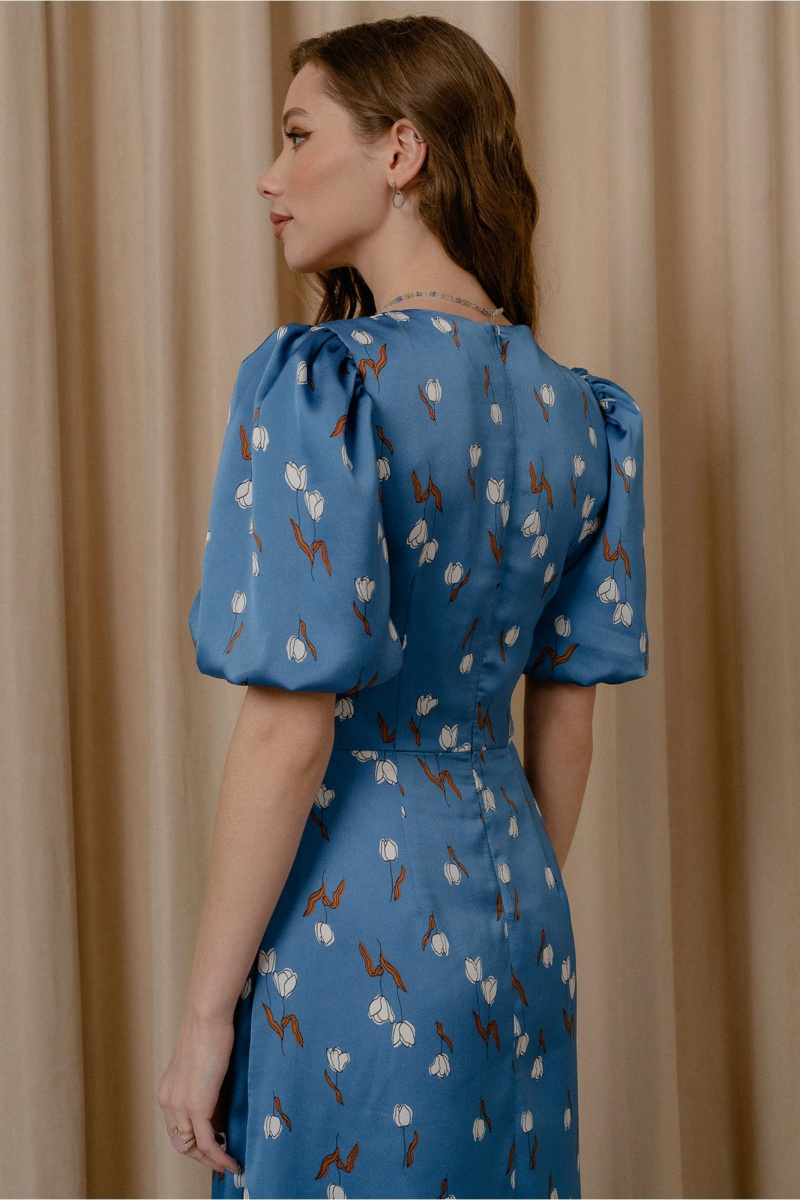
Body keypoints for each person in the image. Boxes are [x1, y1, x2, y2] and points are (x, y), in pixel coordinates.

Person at [156, 14, 648, 1200]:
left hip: (353, 922)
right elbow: (567, 716)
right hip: (515, 915)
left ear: (399, 151)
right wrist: (493, 918)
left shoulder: (325, 383)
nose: (268, 176)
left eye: (296, 135)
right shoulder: (581, 413)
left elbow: (287, 732)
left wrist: (206, 1015)